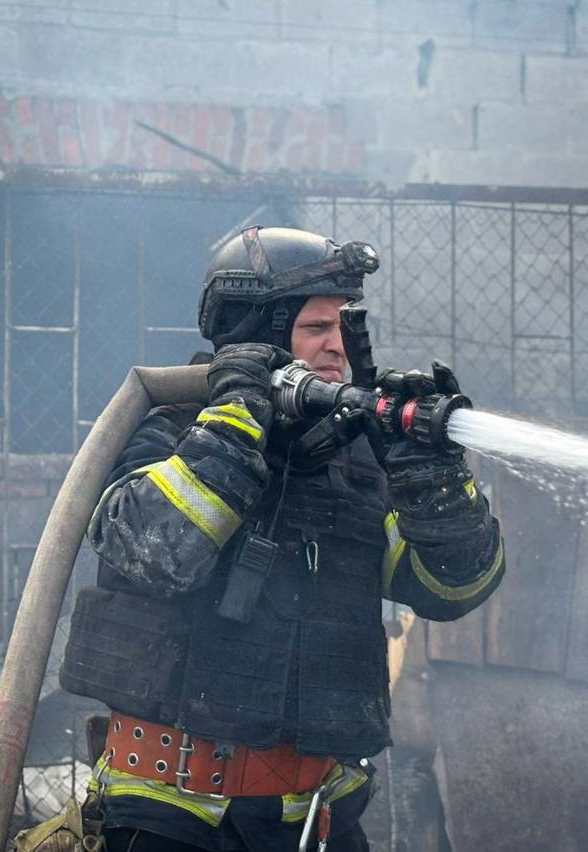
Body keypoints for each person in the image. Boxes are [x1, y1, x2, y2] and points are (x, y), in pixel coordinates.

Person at [56, 226, 506, 852]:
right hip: (170, 817)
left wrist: (429, 479)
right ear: (258, 337)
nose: (337, 347)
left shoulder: (358, 463)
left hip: (321, 818)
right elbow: (160, 553)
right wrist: (239, 420)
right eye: (316, 328)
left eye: (344, 326)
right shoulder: (164, 433)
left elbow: (455, 589)